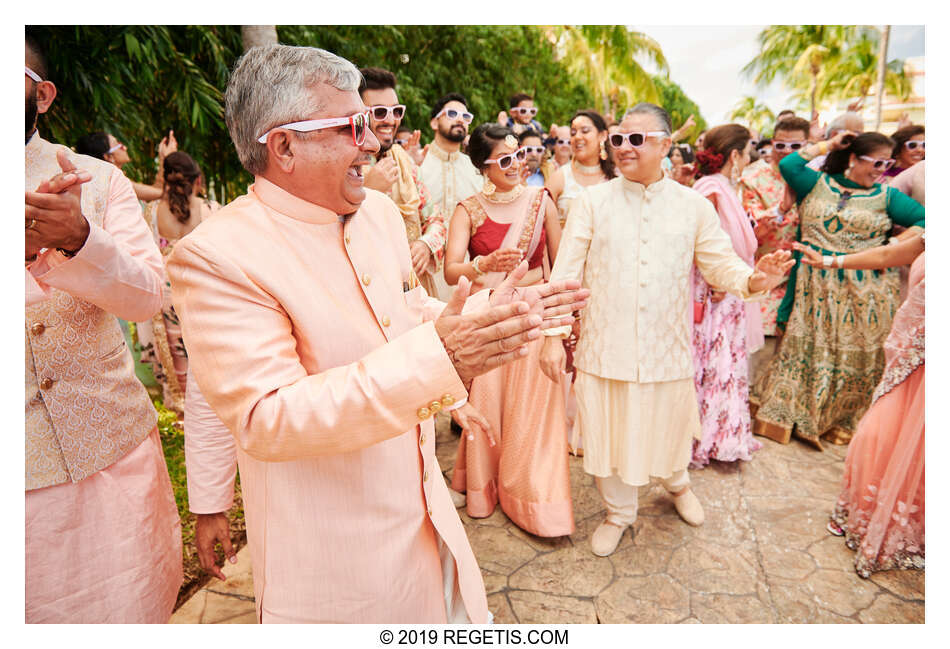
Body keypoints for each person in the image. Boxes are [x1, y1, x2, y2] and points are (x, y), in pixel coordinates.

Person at [166, 44, 589, 623]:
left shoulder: (380, 215)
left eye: (369, 122)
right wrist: (444, 357)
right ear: (284, 145)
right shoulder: (217, 257)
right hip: (331, 549)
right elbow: (268, 416)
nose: (372, 140)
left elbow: (406, 314)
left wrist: (488, 309)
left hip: (421, 506)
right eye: (352, 125)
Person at [538, 102, 794, 557]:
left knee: (669, 428)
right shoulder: (592, 203)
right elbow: (564, 275)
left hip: (666, 351)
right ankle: (619, 513)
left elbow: (723, 268)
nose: (624, 148)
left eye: (637, 139)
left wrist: (757, 280)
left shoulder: (693, 206)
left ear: (665, 145)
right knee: (606, 433)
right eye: (617, 138)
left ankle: (677, 486)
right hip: (603, 347)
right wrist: (554, 337)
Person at [24, 34, 181, 623]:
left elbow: (147, 296)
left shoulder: (97, 181)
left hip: (110, 462)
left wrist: (78, 240)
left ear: (42, 95)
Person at [752, 131, 924, 450]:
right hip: (813, 284)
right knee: (808, 349)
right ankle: (797, 415)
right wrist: (827, 145)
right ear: (853, 159)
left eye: (888, 163)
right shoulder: (817, 184)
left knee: (852, 357)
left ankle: (841, 420)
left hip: (863, 292)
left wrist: (893, 244)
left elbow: (926, 220)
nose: (882, 170)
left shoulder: (886, 197)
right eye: (876, 162)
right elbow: (790, 165)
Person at [443, 124, 571, 537]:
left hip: (534, 314)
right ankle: (482, 485)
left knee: (534, 412)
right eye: (504, 160)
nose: (515, 165)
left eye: (517, 156)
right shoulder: (469, 208)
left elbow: (561, 261)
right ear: (483, 166)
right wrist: (486, 264)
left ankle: (534, 497)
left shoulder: (540, 201)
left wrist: (562, 321)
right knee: (490, 409)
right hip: (491, 315)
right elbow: (451, 269)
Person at [794, 235, 924, 578]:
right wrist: (829, 261)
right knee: (875, 437)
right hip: (908, 366)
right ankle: (870, 516)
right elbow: (887, 254)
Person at [689, 124, 764, 469]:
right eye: (748, 152)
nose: (749, 159)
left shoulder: (726, 189)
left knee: (726, 365)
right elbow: (689, 238)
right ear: (735, 155)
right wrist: (711, 277)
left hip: (731, 292)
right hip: (713, 293)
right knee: (710, 365)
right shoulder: (710, 189)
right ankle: (703, 438)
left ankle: (724, 435)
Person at [135, 152, 219, 413]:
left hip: (167, 292)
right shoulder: (211, 210)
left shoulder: (151, 212)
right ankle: (213, 399)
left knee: (176, 350)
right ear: (197, 180)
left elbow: (144, 254)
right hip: (203, 290)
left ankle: (185, 404)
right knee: (206, 344)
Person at [359, 67, 447, 298]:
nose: (390, 120)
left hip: (416, 292)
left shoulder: (404, 163)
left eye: (396, 111)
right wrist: (366, 191)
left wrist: (425, 245)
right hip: (370, 295)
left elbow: (435, 219)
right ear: (358, 114)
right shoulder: (343, 166)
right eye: (379, 112)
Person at [738, 116, 810, 336]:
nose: (787, 151)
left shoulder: (820, 180)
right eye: (780, 145)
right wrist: (781, 209)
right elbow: (751, 232)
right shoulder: (752, 179)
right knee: (763, 358)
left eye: (796, 146)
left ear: (807, 146)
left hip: (809, 284)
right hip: (769, 282)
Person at [419, 92, 483, 301]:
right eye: (452, 113)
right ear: (434, 122)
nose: (460, 120)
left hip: (464, 272)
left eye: (466, 117)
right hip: (422, 268)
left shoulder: (476, 170)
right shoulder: (417, 164)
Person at [546, 110, 615, 228]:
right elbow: (542, 230)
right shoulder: (560, 178)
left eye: (585, 131)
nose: (577, 137)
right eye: (573, 133)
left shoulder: (615, 178)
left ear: (603, 135)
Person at [76, 129, 176, 201]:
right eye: (119, 145)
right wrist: (170, 158)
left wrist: (163, 159)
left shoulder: (110, 179)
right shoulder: (114, 182)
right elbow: (161, 193)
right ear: (108, 156)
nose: (125, 148)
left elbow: (155, 190)